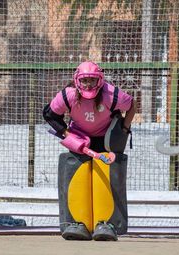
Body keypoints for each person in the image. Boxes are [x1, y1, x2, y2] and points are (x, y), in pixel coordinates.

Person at [43, 61, 136, 241]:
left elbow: (132, 105)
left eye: (92, 81)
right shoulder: (67, 95)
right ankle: (76, 223)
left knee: (108, 174)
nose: (88, 85)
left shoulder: (112, 94)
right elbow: (49, 114)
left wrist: (123, 129)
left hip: (105, 140)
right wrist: (67, 135)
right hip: (79, 137)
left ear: (100, 80)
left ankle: (107, 224)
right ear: (77, 81)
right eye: (84, 80)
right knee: (75, 171)